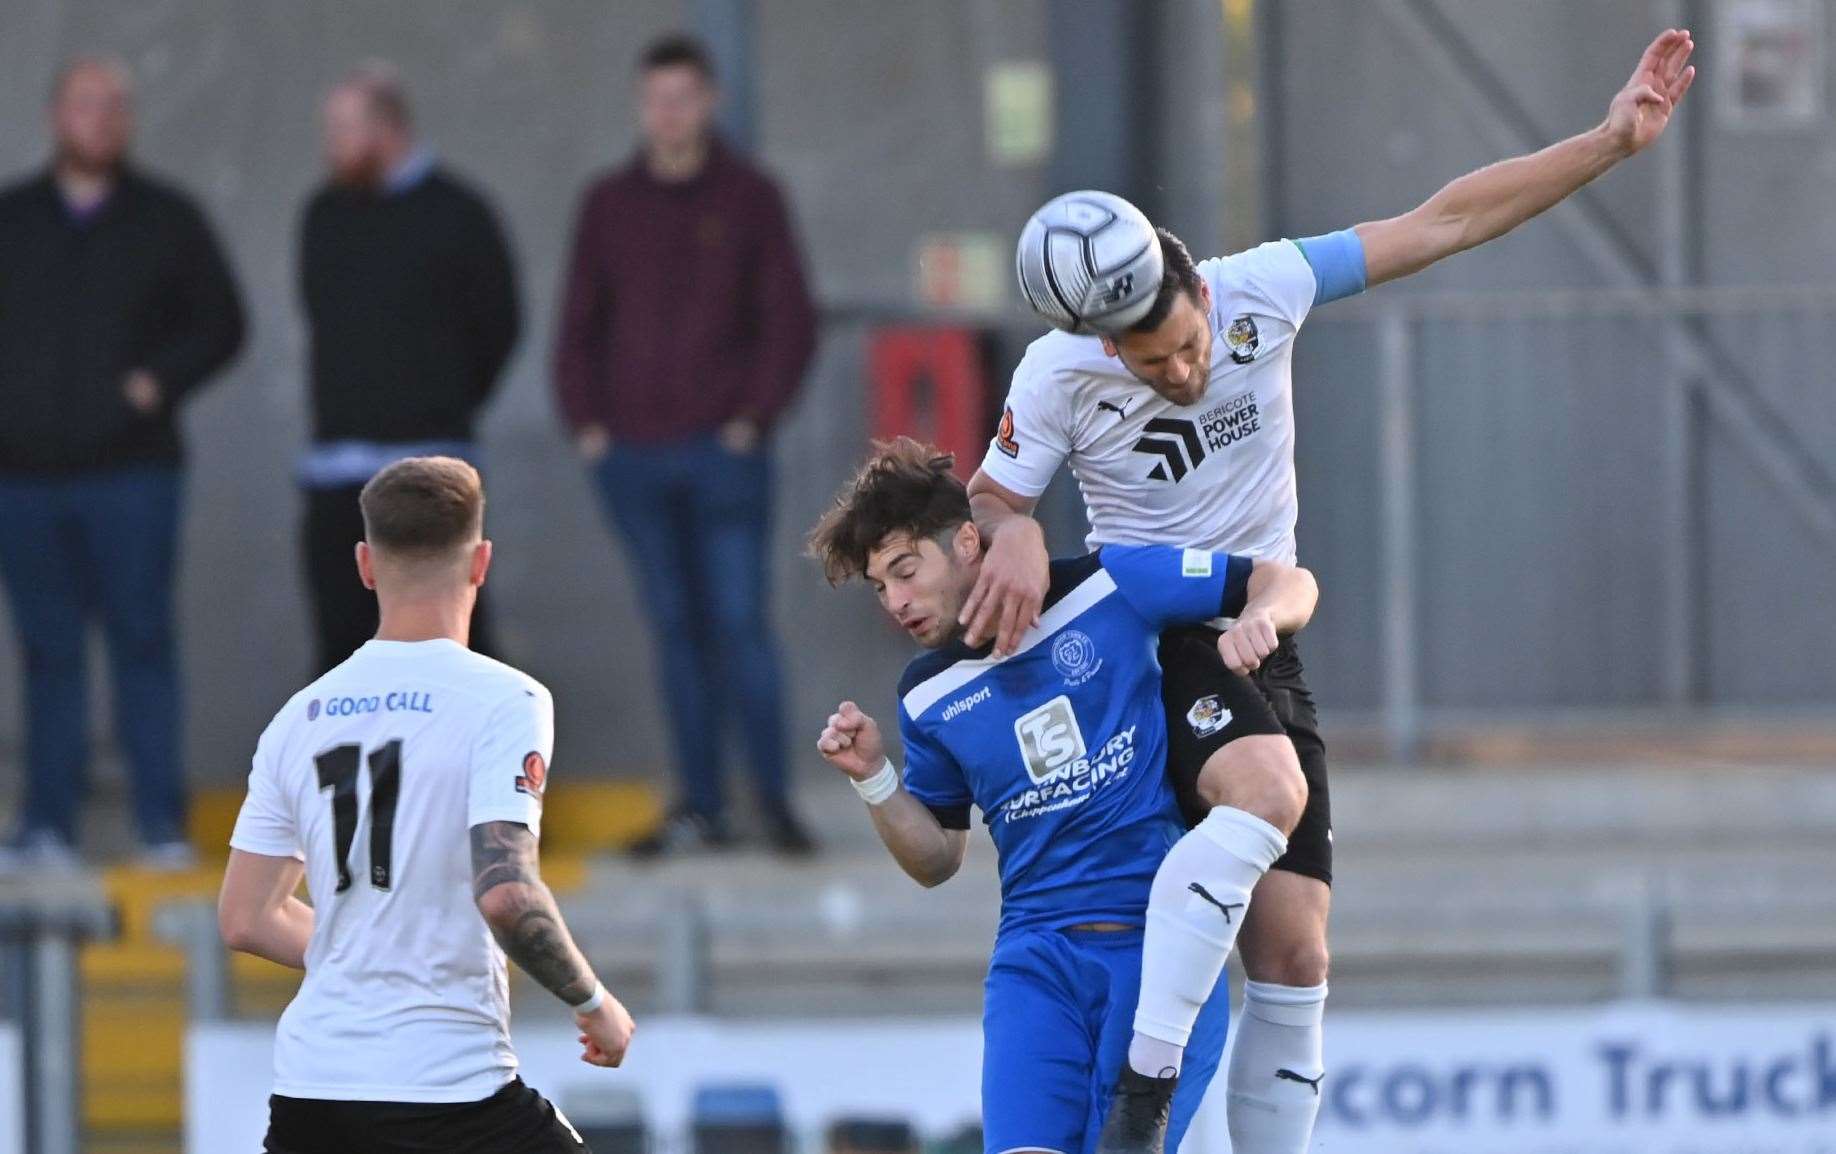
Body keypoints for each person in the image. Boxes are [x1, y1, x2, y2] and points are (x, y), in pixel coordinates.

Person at [960, 28, 1698, 1154]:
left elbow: (1443, 220)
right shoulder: (1059, 375)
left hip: (1266, 628)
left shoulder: (1266, 288)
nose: (1181, 372)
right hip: (1154, 635)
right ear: (1098, 349)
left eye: (1184, 344)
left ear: (1195, 285)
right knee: (1262, 791)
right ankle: (1143, 1094)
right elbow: (988, 502)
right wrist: (1006, 525)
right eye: (1149, 366)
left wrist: (1609, 140)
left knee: (1298, 955)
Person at [808, 440, 1318, 1154]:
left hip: (1158, 959)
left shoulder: (1111, 586)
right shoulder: (926, 694)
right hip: (1035, 965)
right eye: (879, 586)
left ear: (964, 544)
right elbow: (936, 858)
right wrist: (873, 776)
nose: (895, 601)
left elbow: (1285, 580)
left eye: (905, 570)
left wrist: (1265, 618)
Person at [218, 456, 634, 1153]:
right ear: (482, 562)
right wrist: (595, 1003)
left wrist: (367, 952)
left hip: (313, 1094)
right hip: (447, 1089)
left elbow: (245, 917)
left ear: (364, 564)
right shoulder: (506, 699)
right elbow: (505, 893)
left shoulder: (299, 716)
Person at [554, 34, 818, 857]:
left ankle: (771, 803)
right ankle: (700, 806)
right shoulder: (608, 202)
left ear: (709, 102)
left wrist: (753, 418)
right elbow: (578, 324)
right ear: (642, 106)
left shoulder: (750, 197)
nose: (669, 114)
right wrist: (590, 426)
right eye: (655, 99)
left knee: (740, 623)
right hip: (632, 454)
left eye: (683, 97)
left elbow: (789, 318)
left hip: (724, 452)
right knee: (675, 629)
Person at [0, 55, 245, 869]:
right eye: (85, 104)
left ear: (129, 121)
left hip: (135, 473)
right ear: (55, 115)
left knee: (142, 640)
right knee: (46, 650)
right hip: (23, 476)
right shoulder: (14, 219)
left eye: (115, 106)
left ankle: (157, 824)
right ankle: (47, 825)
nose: (100, 119)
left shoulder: (168, 218)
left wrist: (156, 384)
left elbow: (222, 322)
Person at [298, 62, 520, 675]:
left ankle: (471, 769)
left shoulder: (458, 213)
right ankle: (355, 774)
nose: (332, 145)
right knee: (342, 638)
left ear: (388, 129)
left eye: (345, 128)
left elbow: (498, 325)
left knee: (453, 636)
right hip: (337, 464)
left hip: (430, 459)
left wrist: (442, 399)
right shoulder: (325, 214)